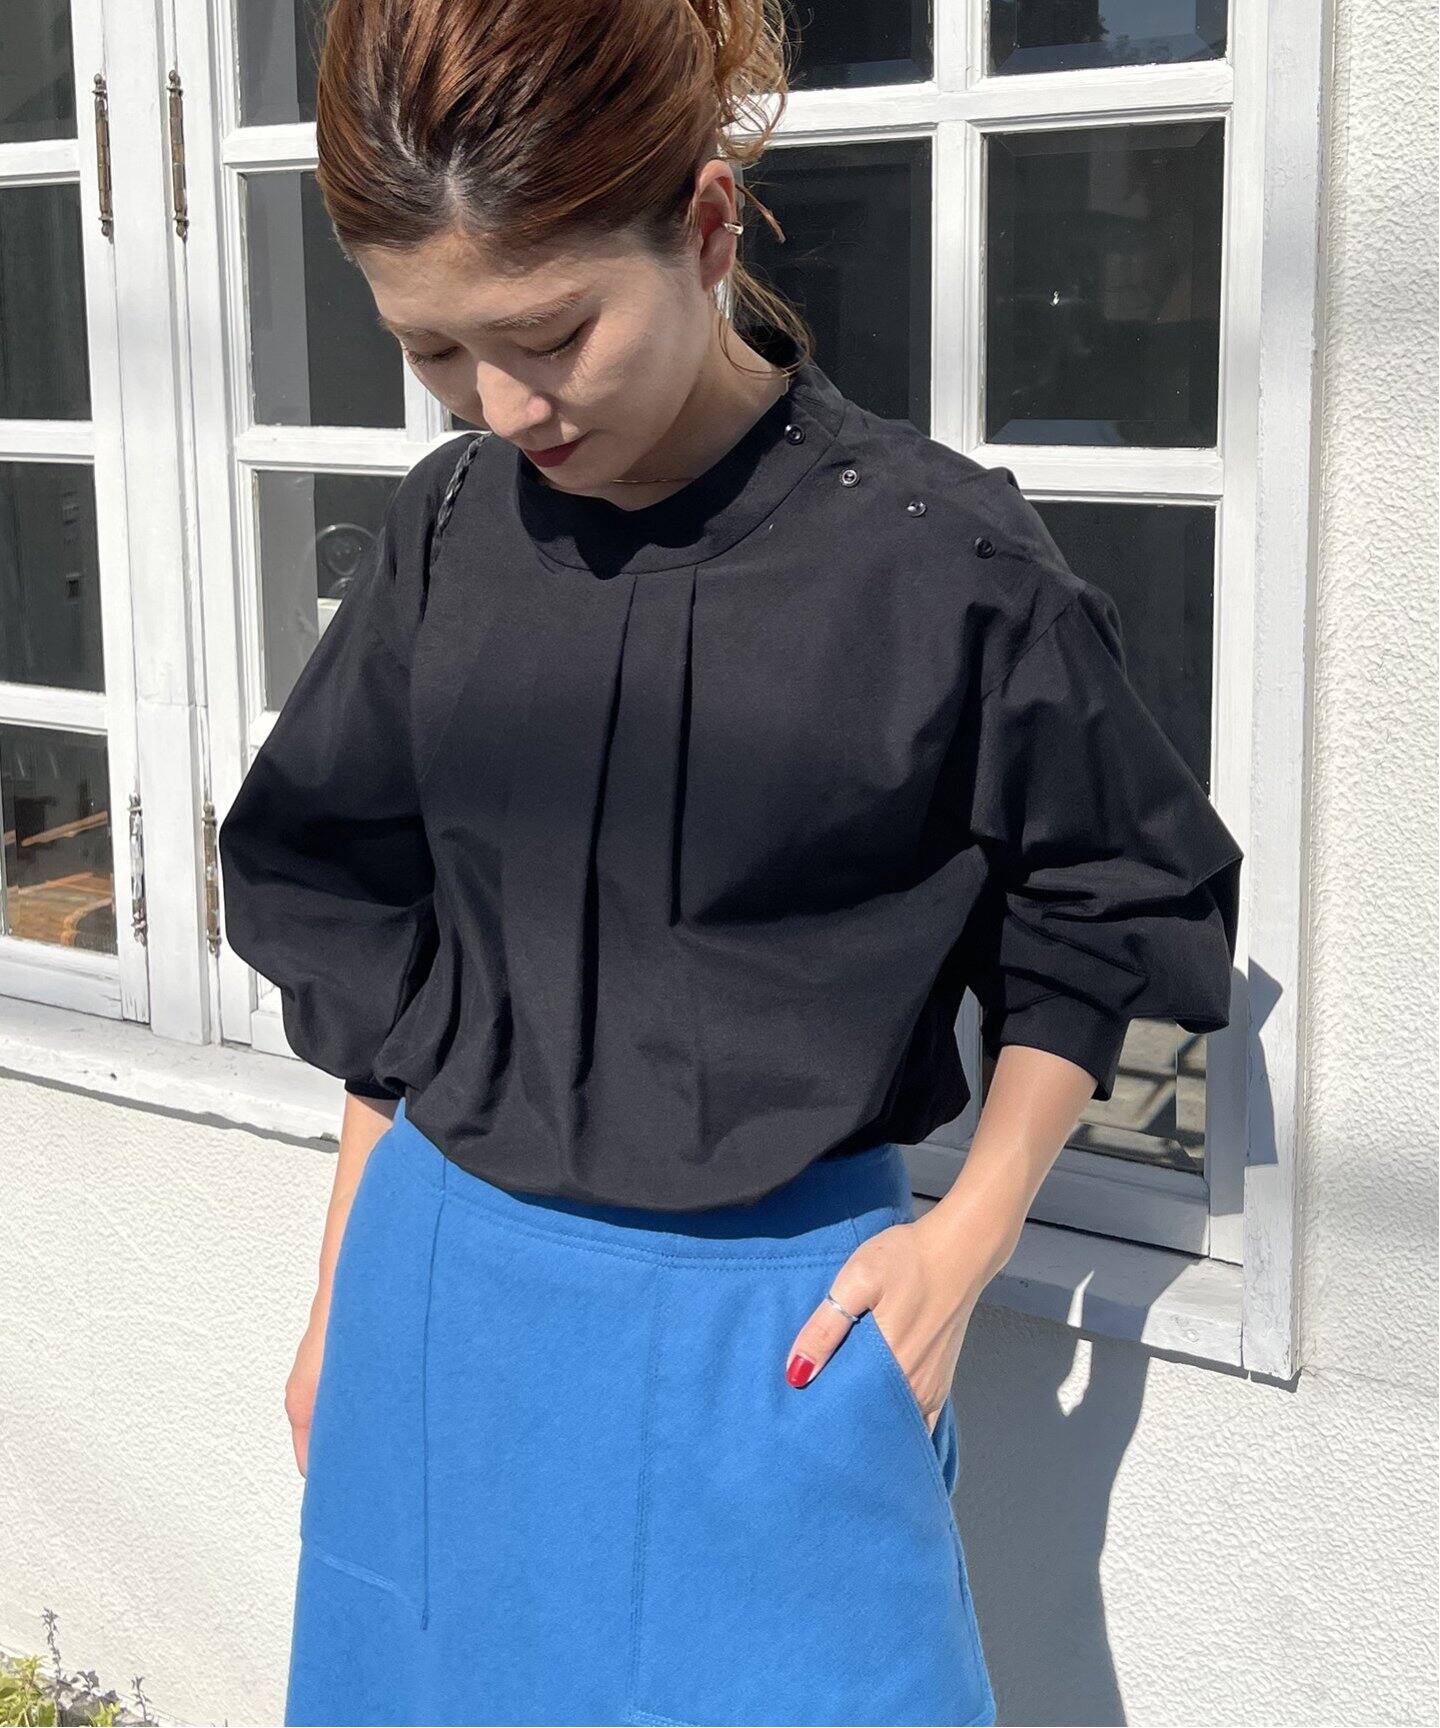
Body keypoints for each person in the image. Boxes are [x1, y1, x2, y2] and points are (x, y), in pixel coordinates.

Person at [217, 1, 1244, 1723]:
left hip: (778, 1329)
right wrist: (342, 1302)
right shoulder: (446, 531)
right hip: (439, 1299)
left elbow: (1111, 910)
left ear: (703, 227)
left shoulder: (940, 561)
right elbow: (383, 947)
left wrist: (968, 1241)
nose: (503, 405)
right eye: (434, 351)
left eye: (550, 333)